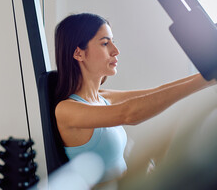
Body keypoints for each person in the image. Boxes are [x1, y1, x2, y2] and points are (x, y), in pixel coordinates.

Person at [53, 13, 216, 187]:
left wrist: (208, 76)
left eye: (113, 42)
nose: (116, 50)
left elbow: (156, 92)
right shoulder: (67, 110)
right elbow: (129, 113)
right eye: (105, 43)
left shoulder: (103, 97)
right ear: (79, 53)